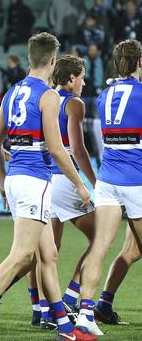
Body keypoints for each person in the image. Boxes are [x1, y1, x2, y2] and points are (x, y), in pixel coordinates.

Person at [0, 32, 94, 341]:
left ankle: (64, 329)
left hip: (17, 177)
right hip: (36, 180)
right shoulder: (47, 96)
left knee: (47, 255)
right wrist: (80, 185)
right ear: (51, 61)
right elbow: (57, 149)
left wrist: (2, 183)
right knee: (22, 255)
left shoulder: (12, 92)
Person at [77, 39, 142, 336]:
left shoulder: (105, 95)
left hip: (107, 181)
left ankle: (89, 312)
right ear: (139, 63)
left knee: (103, 248)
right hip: (136, 181)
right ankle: (100, 304)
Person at [47, 56, 97, 319]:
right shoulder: (73, 103)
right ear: (70, 79)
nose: (84, 82)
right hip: (65, 179)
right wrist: (92, 181)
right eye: (81, 77)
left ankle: (44, 308)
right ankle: (70, 297)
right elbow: (77, 149)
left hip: (43, 179)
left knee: (48, 250)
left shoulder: (45, 98)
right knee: (100, 238)